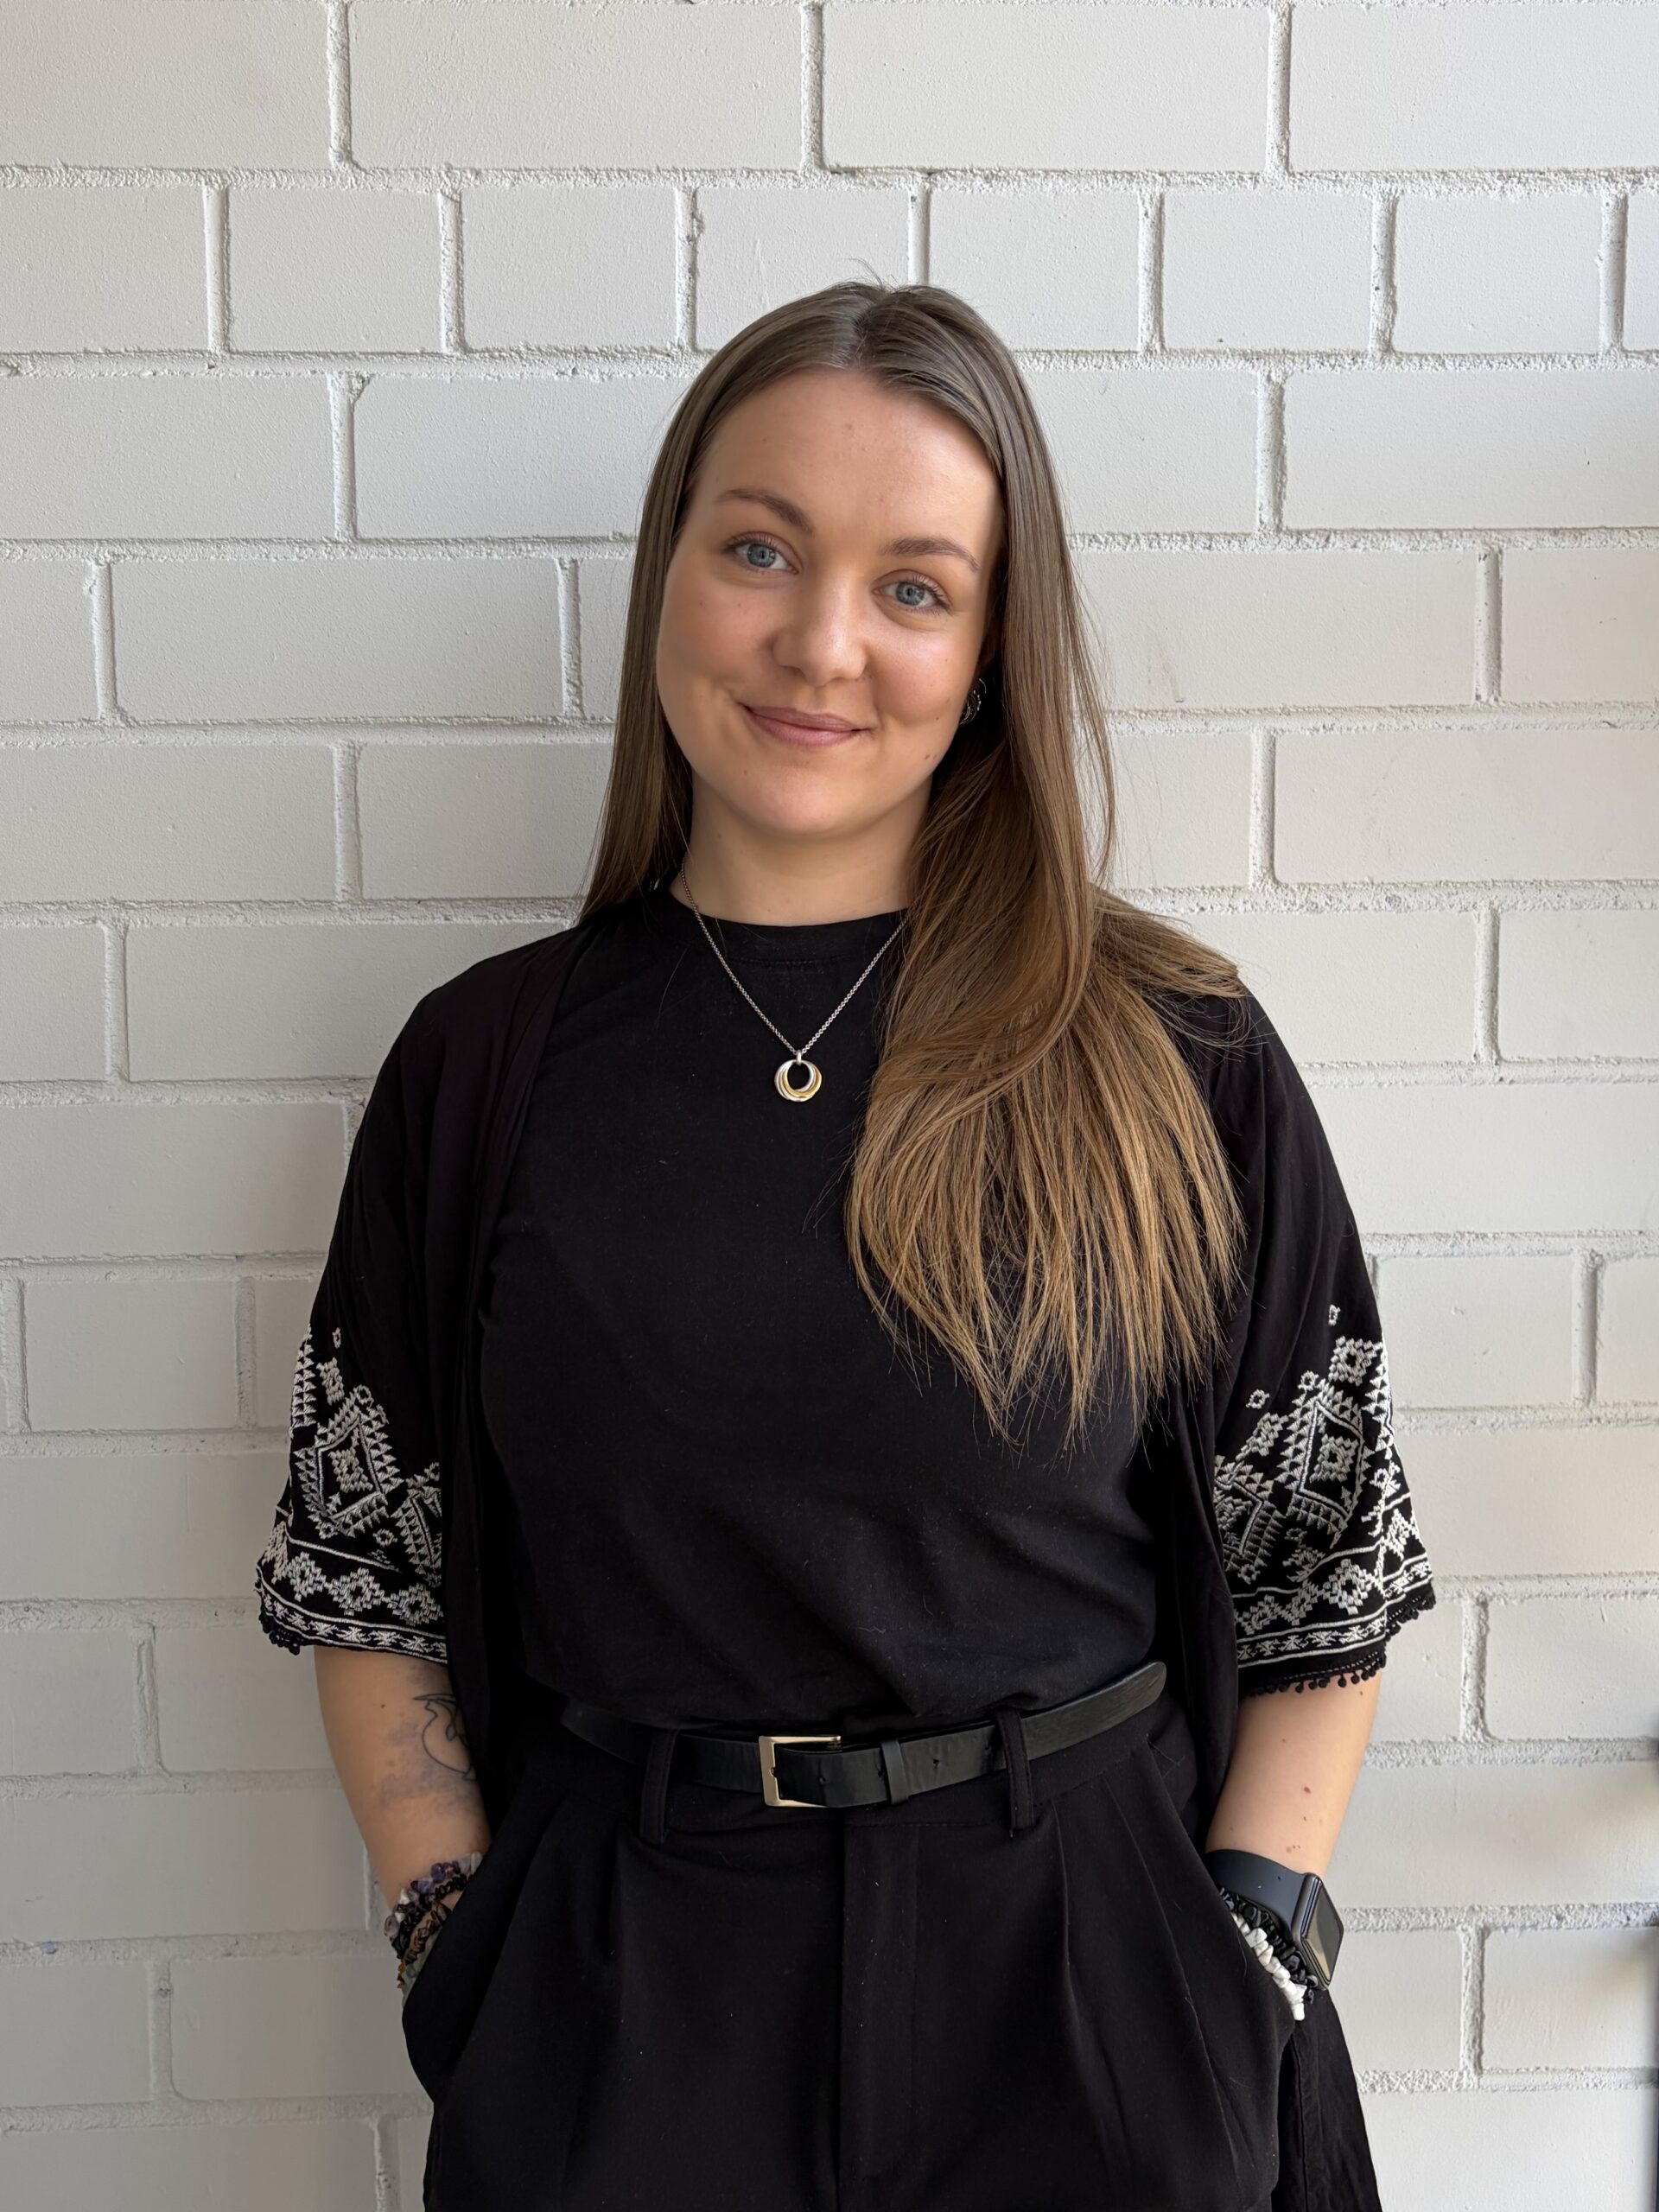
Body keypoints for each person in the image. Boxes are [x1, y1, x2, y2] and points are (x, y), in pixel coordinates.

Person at [254, 280, 1436, 2212]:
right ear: (668, 570)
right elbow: (364, 1570)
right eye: (759, 550)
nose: (821, 642)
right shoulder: (486, 1066)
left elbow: (1323, 1565)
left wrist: (1245, 1957)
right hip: (628, 1999)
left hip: (1091, 1994)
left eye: (914, 586)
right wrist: (457, 1946)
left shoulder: (1169, 1054)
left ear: (990, 650)